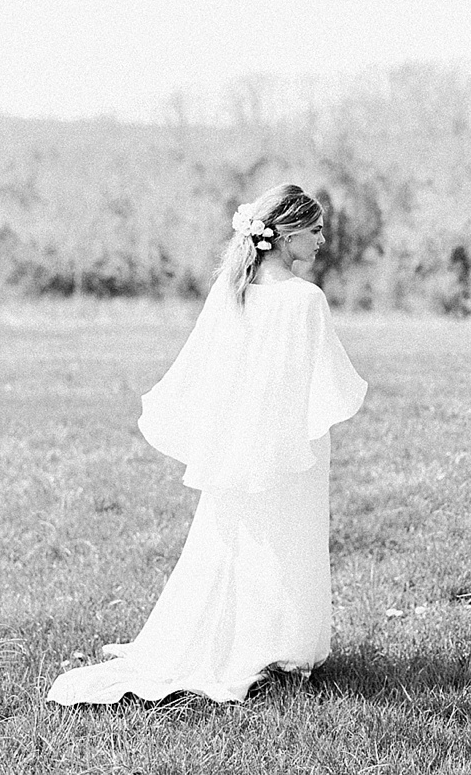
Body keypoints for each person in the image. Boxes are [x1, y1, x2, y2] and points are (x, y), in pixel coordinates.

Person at [47, 183, 367, 705]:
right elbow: (324, 384)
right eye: (314, 229)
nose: (322, 239)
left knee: (237, 539)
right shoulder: (305, 300)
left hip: (240, 443)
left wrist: (232, 434)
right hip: (291, 444)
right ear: (286, 234)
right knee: (286, 539)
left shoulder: (232, 289)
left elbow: (212, 374)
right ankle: (279, 645)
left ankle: (249, 639)